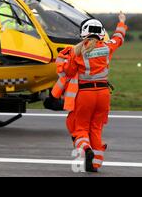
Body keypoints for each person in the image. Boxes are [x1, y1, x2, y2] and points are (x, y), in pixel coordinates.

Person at [50, 12, 127, 172]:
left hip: (85, 95)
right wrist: (121, 22)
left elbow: (69, 73)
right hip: (103, 94)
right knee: (96, 128)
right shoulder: (107, 47)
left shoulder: (76, 52)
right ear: (101, 33)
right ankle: (95, 164)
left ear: (83, 32)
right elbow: (118, 38)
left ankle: (86, 149)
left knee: (80, 128)